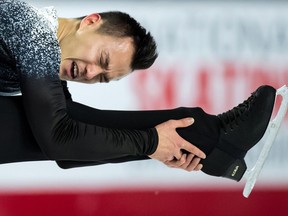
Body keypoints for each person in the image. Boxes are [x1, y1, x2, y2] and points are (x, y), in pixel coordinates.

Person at [0, 0, 276, 182]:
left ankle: (206, 138)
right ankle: (209, 135)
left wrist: (163, 148)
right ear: (90, 22)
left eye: (103, 78)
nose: (92, 73)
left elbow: (68, 155)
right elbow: (58, 140)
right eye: (103, 59)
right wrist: (151, 143)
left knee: (68, 123)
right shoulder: (31, 28)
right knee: (53, 128)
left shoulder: (44, 53)